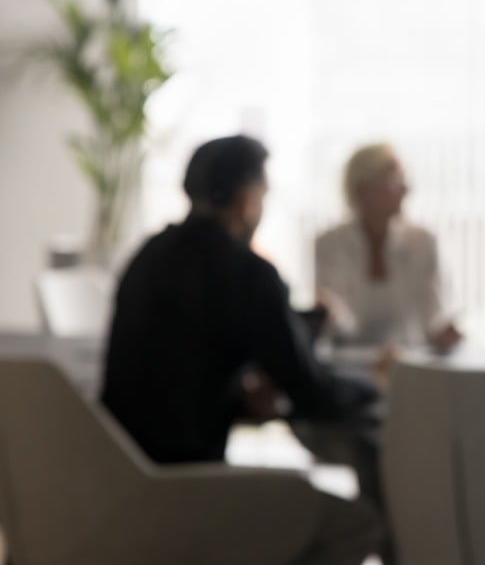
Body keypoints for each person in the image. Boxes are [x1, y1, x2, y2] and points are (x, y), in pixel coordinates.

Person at [101, 135, 381, 563]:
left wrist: (236, 398)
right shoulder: (248, 273)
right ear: (249, 200)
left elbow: (168, 375)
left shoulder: (146, 257)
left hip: (116, 486)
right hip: (189, 493)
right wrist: (377, 383)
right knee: (357, 525)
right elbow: (313, 393)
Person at [315, 143, 461, 352]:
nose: (405, 189)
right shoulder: (329, 244)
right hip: (348, 365)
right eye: (395, 180)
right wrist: (329, 314)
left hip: (411, 364)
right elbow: (338, 325)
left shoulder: (424, 242)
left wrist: (444, 333)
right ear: (363, 189)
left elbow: (432, 319)